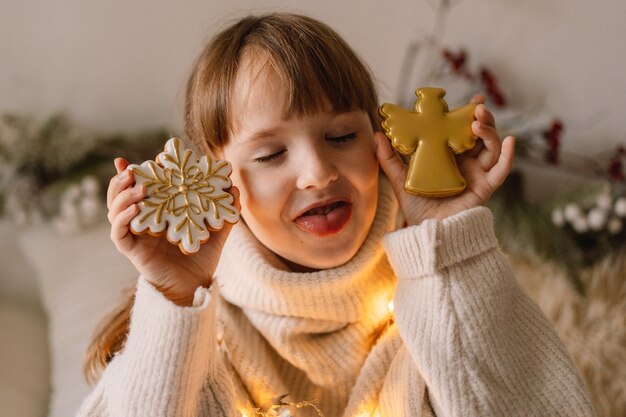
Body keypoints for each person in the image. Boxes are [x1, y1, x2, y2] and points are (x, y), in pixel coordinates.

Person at [78, 13, 595, 417]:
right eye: (270, 154)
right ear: (218, 179)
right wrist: (173, 295)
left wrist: (444, 246)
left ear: (380, 141)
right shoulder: (202, 340)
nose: (318, 173)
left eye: (342, 137)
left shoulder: (439, 299)